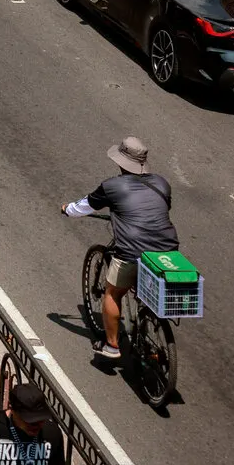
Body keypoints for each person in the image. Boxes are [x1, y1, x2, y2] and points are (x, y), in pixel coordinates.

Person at [61, 136, 176, 362]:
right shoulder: (162, 183)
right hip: (167, 250)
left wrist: (66, 209)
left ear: (121, 162)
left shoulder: (112, 187)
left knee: (113, 293)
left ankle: (112, 346)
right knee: (147, 290)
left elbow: (82, 207)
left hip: (131, 251)